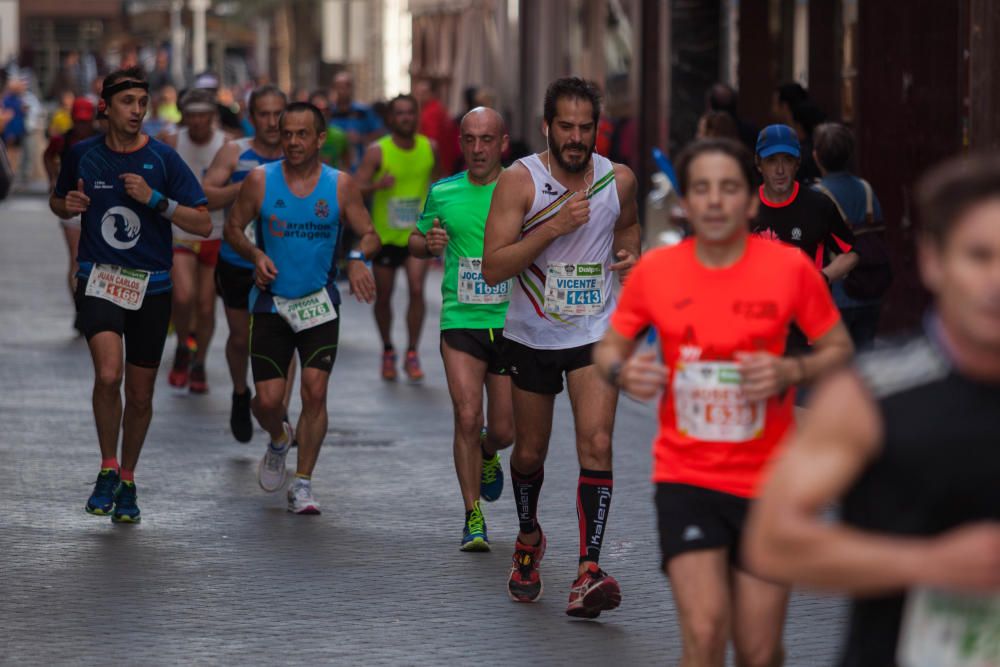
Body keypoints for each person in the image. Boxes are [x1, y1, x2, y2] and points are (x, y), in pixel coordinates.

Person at [593, 137, 853, 665]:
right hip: (687, 479)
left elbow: (838, 350)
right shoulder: (658, 273)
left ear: (751, 200)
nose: (715, 201)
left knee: (758, 650)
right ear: (685, 203)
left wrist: (790, 368)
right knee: (707, 632)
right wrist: (625, 371)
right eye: (702, 189)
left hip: (770, 485)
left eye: (728, 188)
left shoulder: (791, 271)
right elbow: (609, 350)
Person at [745, 153, 1000, 667]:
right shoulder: (871, 393)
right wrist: (931, 563)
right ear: (933, 260)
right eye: (979, 256)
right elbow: (773, 541)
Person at [481, 76, 640, 617]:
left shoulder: (617, 180)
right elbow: (494, 264)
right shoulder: (519, 182)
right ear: (547, 127)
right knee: (529, 453)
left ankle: (587, 571)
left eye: (586, 127)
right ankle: (528, 539)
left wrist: (628, 252)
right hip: (532, 335)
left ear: (599, 129)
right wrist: (551, 228)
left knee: (596, 442)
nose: (576, 137)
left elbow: (630, 228)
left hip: (595, 332)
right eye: (566, 127)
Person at [49, 66, 211, 523]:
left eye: (142, 103)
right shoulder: (82, 154)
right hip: (99, 278)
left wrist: (156, 200)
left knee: (140, 396)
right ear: (106, 107)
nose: (137, 111)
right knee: (107, 375)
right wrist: (68, 205)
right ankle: (106, 466)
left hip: (152, 289)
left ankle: (128, 479)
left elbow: (201, 222)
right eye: (128, 102)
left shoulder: (162, 160)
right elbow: (57, 200)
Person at [224, 101, 380, 513]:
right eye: (287, 133)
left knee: (314, 392)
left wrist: (360, 261)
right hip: (271, 305)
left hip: (319, 306)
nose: (292, 142)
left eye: (302, 134)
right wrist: (256, 255)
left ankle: (304, 483)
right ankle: (279, 438)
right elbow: (232, 227)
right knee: (269, 402)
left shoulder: (340, 185)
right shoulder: (260, 181)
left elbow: (369, 233)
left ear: (320, 139)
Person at [408, 107, 514, 551]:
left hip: (511, 322)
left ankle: (489, 452)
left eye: (486, 139)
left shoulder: (522, 189)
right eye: (469, 139)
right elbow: (415, 239)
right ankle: (473, 517)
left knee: (504, 430)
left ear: (502, 143)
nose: (477, 148)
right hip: (461, 319)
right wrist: (426, 243)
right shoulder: (443, 191)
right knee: (467, 416)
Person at [202, 84, 289, 442]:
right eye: (264, 115)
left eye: (277, 114)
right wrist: (246, 187)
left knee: (284, 338)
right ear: (252, 118)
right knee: (241, 338)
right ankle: (241, 392)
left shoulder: (295, 152)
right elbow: (205, 195)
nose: (271, 122)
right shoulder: (234, 152)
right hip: (237, 260)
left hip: (284, 265)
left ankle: (279, 411)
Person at [751, 124, 857, 355]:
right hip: (757, 328)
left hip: (809, 330)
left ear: (797, 163)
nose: (780, 169)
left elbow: (850, 252)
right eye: (771, 160)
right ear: (759, 164)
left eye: (787, 160)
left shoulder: (819, 205)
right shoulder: (745, 209)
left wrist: (823, 277)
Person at [356, 93, 438, 382]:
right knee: (385, 296)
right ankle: (388, 349)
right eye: (399, 113)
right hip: (385, 236)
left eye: (410, 113)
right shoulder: (378, 151)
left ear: (417, 116)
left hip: (417, 234)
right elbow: (354, 188)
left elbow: (440, 186)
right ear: (391, 118)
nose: (405, 118)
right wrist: (377, 184)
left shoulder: (430, 148)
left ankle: (412, 352)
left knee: (417, 290)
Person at [161, 89, 229, 394]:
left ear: (213, 115)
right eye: (193, 114)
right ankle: (182, 347)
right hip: (181, 231)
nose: (199, 121)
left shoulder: (226, 143)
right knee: (184, 296)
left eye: (204, 114)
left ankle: (198, 361)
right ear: (184, 115)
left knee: (205, 305)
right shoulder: (172, 140)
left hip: (216, 231)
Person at [811, 122, 891, 349]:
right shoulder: (866, 189)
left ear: (816, 156)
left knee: (834, 362)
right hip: (870, 289)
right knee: (865, 359)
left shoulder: (816, 196)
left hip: (835, 294)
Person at [43, 97, 99, 332]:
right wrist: (53, 179)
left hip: (98, 203)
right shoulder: (62, 140)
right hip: (71, 203)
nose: (83, 126)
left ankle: (95, 305)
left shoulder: (102, 139)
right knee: (77, 258)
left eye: (86, 121)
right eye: (79, 121)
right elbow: (47, 156)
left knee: (98, 259)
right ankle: (80, 307)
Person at [329, 71, 383, 171]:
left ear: (352, 88)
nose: (342, 91)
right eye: (339, 87)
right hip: (334, 169)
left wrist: (361, 138)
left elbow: (380, 134)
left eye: (346, 86)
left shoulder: (364, 111)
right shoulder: (329, 112)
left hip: (359, 168)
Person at [414, 78, 459, 177]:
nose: (419, 96)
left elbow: (431, 141)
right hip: (448, 161)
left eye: (423, 92)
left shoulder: (430, 112)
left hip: (439, 164)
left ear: (432, 93)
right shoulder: (438, 107)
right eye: (417, 92)